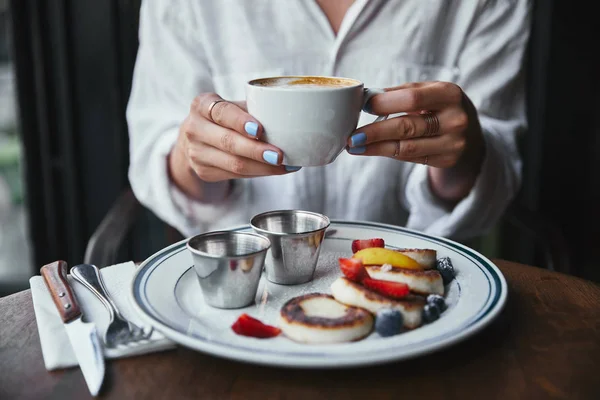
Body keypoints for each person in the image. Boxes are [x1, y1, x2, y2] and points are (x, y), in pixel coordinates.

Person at [126, 0, 531, 241]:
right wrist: (193, 157)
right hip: (244, 280)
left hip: (406, 277)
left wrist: (463, 160)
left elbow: (499, 173)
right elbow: (152, 151)